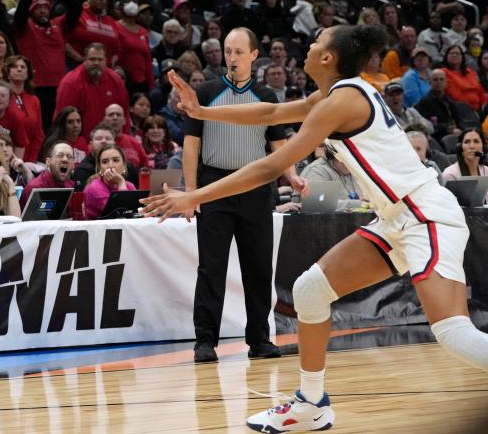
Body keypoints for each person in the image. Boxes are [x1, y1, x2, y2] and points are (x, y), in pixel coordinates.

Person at [142, 24, 487, 432]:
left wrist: (194, 196)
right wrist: (203, 112)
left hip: (425, 215)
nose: (306, 47)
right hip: (397, 218)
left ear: (328, 59)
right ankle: (311, 403)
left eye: (316, 43)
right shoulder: (335, 94)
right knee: (310, 290)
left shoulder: (342, 101)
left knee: (451, 332)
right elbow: (270, 113)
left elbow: (271, 166)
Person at [179, 27, 300, 364]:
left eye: (237, 51)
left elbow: (278, 145)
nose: (231, 57)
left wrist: (292, 175)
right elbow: (192, 145)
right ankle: (205, 341)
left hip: (256, 188)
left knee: (259, 269)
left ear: (253, 55)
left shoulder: (267, 96)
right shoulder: (205, 92)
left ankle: (260, 339)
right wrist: (191, 192)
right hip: (215, 186)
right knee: (212, 268)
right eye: (227, 51)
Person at [55, 43, 129, 140]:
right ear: (85, 60)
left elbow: (124, 113)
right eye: (92, 59)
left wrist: (124, 139)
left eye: (100, 59)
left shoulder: (116, 80)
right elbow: (62, 120)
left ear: (106, 61)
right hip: (81, 142)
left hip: (111, 141)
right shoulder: (70, 83)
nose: (96, 63)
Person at [3, 55, 44, 162]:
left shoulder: (34, 100)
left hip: (29, 160)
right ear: (7, 73)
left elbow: (38, 134)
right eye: (15, 66)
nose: (19, 69)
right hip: (4, 157)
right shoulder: (1, 98)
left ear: (28, 74)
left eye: (23, 67)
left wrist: (31, 160)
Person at [83, 145, 136, 220]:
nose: (111, 165)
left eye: (116, 160)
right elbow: (119, 214)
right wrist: (120, 183)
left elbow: (135, 213)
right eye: (105, 162)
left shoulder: (130, 186)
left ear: (124, 165)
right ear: (99, 167)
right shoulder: (94, 188)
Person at [415, 69, 467, 142]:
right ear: (430, 82)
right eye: (435, 80)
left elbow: (459, 120)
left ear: (446, 82)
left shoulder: (449, 100)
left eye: (441, 79)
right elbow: (430, 125)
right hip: (439, 137)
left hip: (456, 133)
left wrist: (464, 131)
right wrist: (450, 130)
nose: (439, 82)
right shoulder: (424, 103)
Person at [20, 141, 76, 206]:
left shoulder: (71, 187)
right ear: (48, 162)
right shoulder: (35, 189)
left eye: (69, 157)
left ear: (73, 164)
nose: (65, 159)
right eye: (60, 155)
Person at [441, 128, 488, 202]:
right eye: (467, 142)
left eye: (476, 141)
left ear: (483, 147)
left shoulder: (486, 171)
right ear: (460, 148)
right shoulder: (450, 174)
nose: (471, 146)